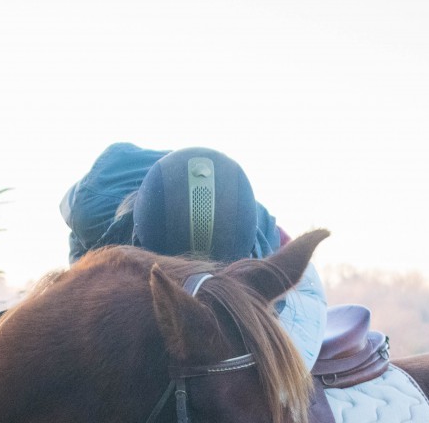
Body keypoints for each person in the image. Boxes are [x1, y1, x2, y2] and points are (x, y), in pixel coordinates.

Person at [60, 143, 328, 370]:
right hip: (127, 213)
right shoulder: (92, 210)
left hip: (265, 272)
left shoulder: (256, 248)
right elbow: (80, 273)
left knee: (267, 378)